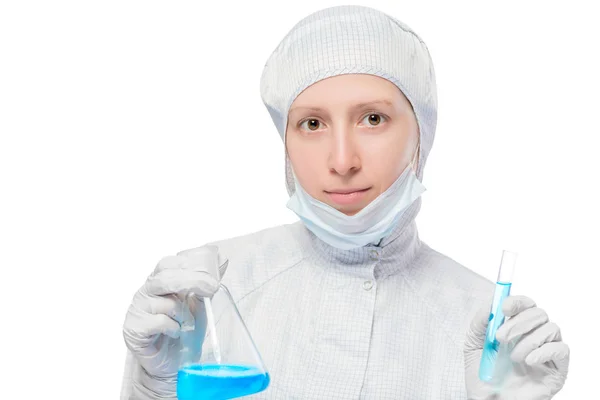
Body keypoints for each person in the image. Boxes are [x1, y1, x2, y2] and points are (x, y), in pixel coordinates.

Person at [120, 5, 570, 399]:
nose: (341, 160)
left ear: (422, 134)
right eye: (312, 124)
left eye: (372, 119)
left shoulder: (485, 330)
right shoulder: (212, 289)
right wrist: (153, 388)